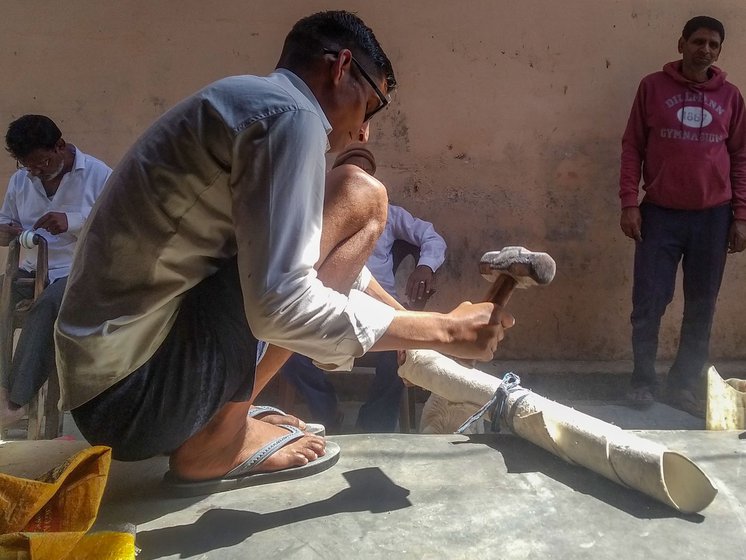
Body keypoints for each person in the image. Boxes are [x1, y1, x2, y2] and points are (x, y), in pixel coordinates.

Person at [54, 10, 513, 490]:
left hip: (117, 395)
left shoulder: (251, 103)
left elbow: (323, 260)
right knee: (361, 193)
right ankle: (218, 439)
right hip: (139, 397)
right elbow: (281, 304)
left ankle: (226, 419)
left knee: (353, 200)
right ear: (340, 68)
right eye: (372, 105)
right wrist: (440, 330)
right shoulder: (290, 116)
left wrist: (420, 342)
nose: (364, 131)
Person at [619, 16, 746, 417]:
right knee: (649, 303)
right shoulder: (652, 88)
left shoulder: (731, 97)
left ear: (719, 51)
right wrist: (629, 202)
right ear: (681, 44)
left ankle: (684, 384)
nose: (704, 49)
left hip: (713, 218)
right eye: (698, 42)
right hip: (660, 216)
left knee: (701, 306)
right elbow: (632, 146)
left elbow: (741, 156)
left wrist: (741, 215)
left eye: (713, 44)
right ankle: (642, 379)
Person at [281, 143, 447, 433]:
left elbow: (430, 237)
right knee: (286, 353)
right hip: (328, 305)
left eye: (366, 174)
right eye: (353, 173)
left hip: (379, 310)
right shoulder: (319, 214)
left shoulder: (390, 214)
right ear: (337, 178)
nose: (360, 180)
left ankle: (373, 429)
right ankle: (328, 413)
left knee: (397, 356)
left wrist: (425, 266)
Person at [0, 114, 111, 429]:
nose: (35, 172)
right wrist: (6, 231)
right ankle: (1, 387)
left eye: (42, 163)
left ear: (60, 146)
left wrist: (73, 220)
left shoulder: (98, 174)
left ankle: (14, 403)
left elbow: (118, 224)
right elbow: (7, 219)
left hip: (82, 272)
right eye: (28, 166)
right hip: (33, 268)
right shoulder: (21, 180)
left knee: (46, 306)